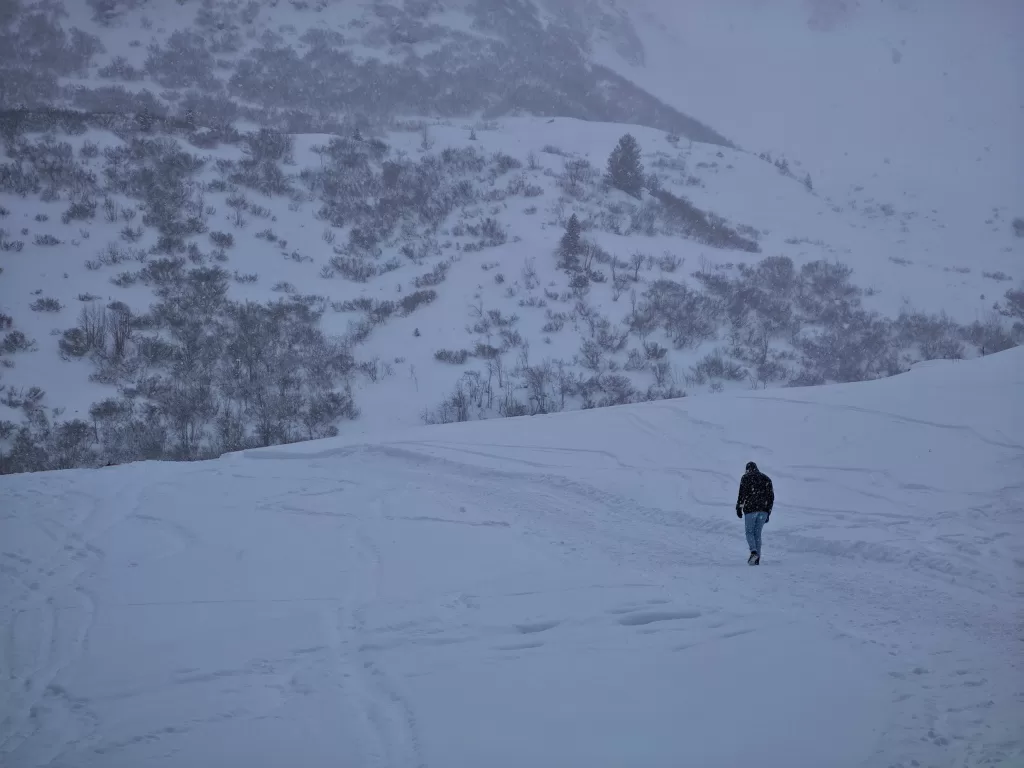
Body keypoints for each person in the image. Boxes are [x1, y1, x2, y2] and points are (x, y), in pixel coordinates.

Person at [735, 461, 773, 565]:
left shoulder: (746, 478)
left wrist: (739, 508)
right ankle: (757, 559)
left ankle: (753, 552)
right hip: (763, 511)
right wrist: (768, 512)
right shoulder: (766, 478)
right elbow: (771, 497)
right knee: (757, 534)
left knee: (749, 532)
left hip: (751, 510)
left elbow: (741, 495)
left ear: (748, 469)